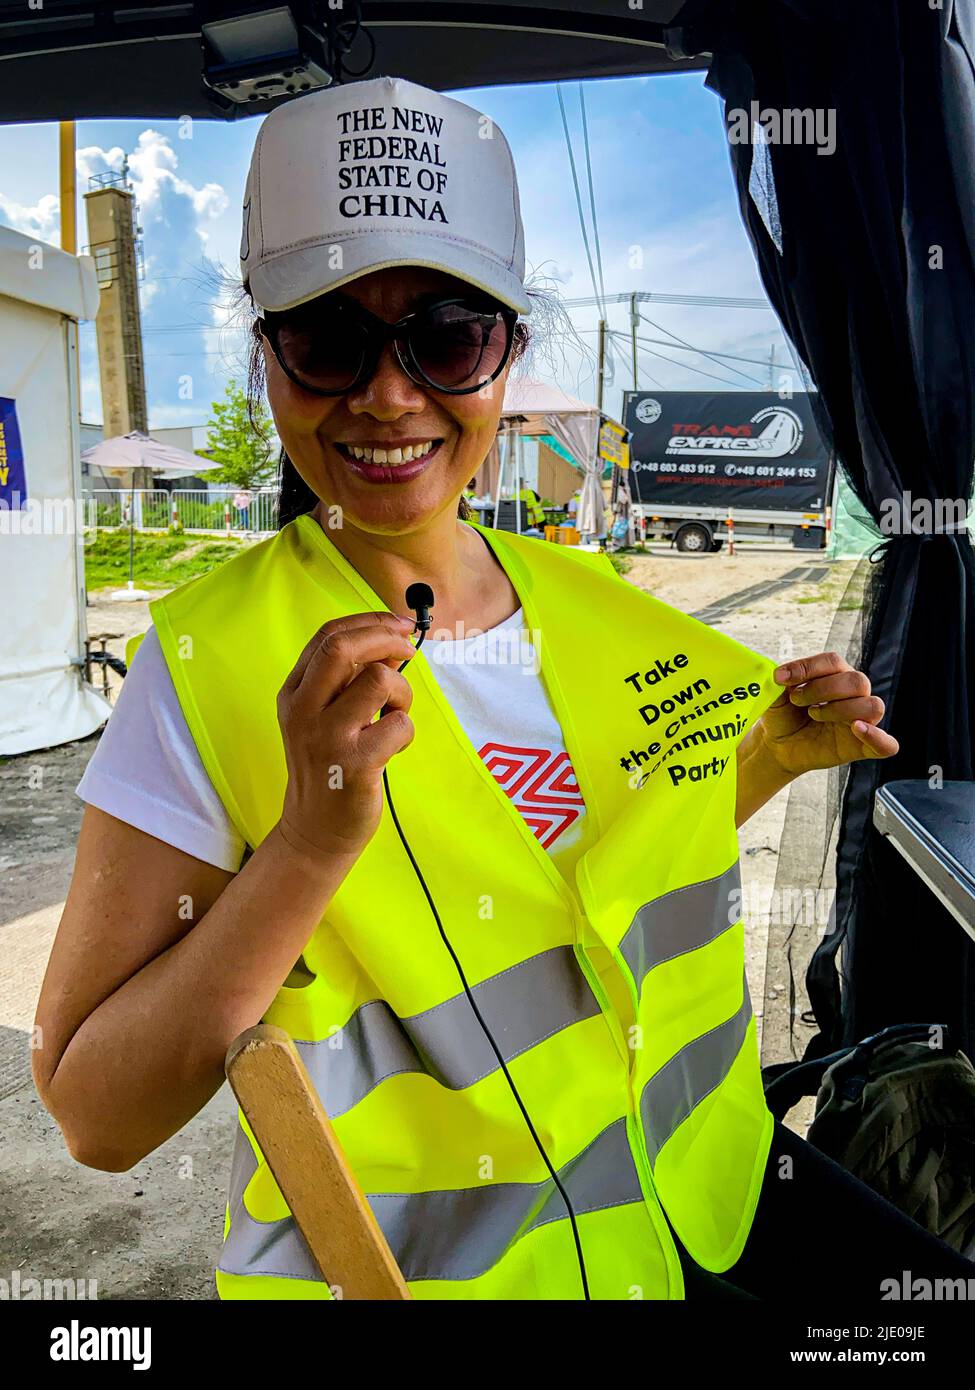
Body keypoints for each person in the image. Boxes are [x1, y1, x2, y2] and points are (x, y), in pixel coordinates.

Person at [34, 75, 972, 1302]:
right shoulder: (201, 670)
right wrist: (312, 842)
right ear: (267, 359)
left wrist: (762, 764)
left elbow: (570, 895)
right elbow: (96, 1113)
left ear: (509, 353)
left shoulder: (595, 612)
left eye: (446, 336)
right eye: (327, 340)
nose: (386, 393)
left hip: (695, 1201)